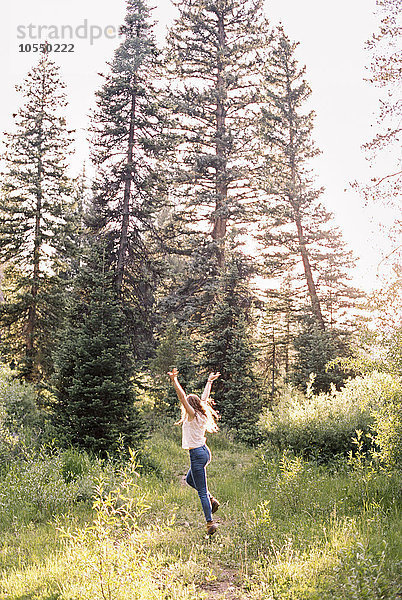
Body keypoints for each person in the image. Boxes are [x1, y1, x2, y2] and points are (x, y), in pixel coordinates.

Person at [167, 367, 221, 536]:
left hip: (197, 455)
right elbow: (204, 397)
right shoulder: (201, 412)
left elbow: (182, 397)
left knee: (201, 491)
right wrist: (209, 382)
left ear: (190, 406)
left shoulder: (191, 415)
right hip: (204, 453)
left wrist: (174, 381)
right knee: (190, 479)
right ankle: (212, 499)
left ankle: (210, 522)